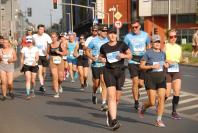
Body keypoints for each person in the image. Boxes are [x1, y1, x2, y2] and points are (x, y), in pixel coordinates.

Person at [99, 28, 132, 130]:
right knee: (111, 97)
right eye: (110, 34)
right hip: (108, 71)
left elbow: (130, 55)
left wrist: (124, 55)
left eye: (114, 34)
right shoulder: (104, 47)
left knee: (117, 98)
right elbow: (100, 57)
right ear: (107, 35)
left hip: (120, 72)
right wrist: (102, 59)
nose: (112, 36)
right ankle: (114, 120)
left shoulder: (122, 44)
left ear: (116, 35)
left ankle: (110, 114)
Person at [139, 35, 168, 127]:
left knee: (161, 99)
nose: (157, 44)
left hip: (161, 79)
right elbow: (141, 66)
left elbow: (163, 63)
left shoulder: (163, 53)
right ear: (152, 44)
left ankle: (158, 120)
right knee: (152, 102)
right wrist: (152, 66)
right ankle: (144, 106)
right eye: (155, 42)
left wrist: (166, 65)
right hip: (150, 79)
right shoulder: (148, 53)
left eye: (159, 42)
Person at [124, 19, 151, 110]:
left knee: (141, 83)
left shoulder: (145, 35)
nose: (134, 29)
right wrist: (126, 55)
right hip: (132, 61)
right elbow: (124, 47)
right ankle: (136, 101)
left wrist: (149, 57)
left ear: (140, 26)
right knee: (135, 81)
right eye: (132, 27)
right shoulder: (128, 37)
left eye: (136, 27)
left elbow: (148, 46)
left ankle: (137, 90)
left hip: (143, 61)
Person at [86, 25, 109, 111]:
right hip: (96, 65)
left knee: (103, 82)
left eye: (106, 31)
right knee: (96, 84)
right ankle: (94, 93)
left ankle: (103, 103)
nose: (105, 32)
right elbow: (87, 51)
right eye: (103, 31)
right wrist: (92, 58)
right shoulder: (94, 41)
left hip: (105, 65)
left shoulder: (108, 41)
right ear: (99, 31)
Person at [164, 29, 182, 120]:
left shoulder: (179, 47)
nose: (173, 38)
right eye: (171, 37)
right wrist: (166, 61)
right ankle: (160, 104)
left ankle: (174, 112)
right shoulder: (165, 46)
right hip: (167, 70)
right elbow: (161, 57)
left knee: (177, 91)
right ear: (168, 37)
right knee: (167, 93)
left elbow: (178, 59)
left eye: (175, 36)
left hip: (176, 70)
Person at [33, 24, 52, 94]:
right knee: (40, 71)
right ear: (38, 29)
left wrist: (47, 53)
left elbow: (49, 44)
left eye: (43, 29)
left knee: (44, 72)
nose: (41, 30)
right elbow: (31, 44)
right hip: (37, 55)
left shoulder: (46, 36)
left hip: (45, 55)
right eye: (40, 29)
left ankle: (42, 83)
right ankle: (42, 85)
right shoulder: (34, 36)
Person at [48, 32, 66, 98]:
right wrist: (48, 56)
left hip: (60, 61)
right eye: (52, 37)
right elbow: (48, 53)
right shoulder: (50, 45)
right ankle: (56, 92)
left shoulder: (61, 44)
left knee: (60, 78)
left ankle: (60, 85)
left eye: (54, 37)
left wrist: (59, 52)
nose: (53, 38)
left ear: (57, 37)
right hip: (52, 62)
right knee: (55, 76)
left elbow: (65, 53)